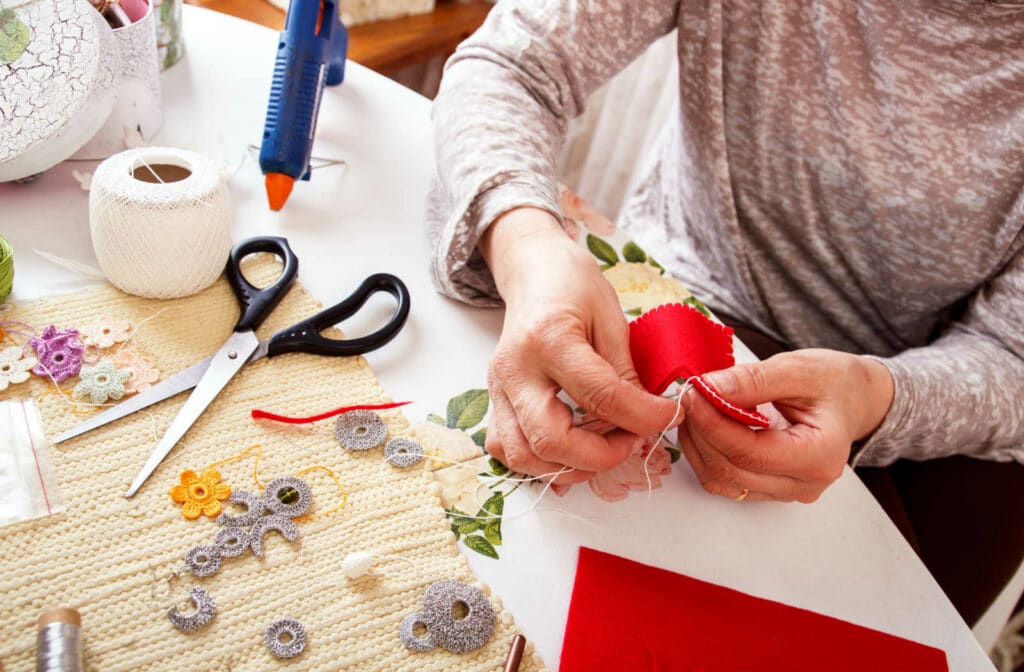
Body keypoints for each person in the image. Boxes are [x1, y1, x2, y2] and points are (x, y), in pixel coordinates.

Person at [426, 0, 1024, 628]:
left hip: (929, 409)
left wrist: (879, 397)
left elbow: (1011, 353)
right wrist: (527, 247)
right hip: (681, 292)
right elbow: (511, 64)